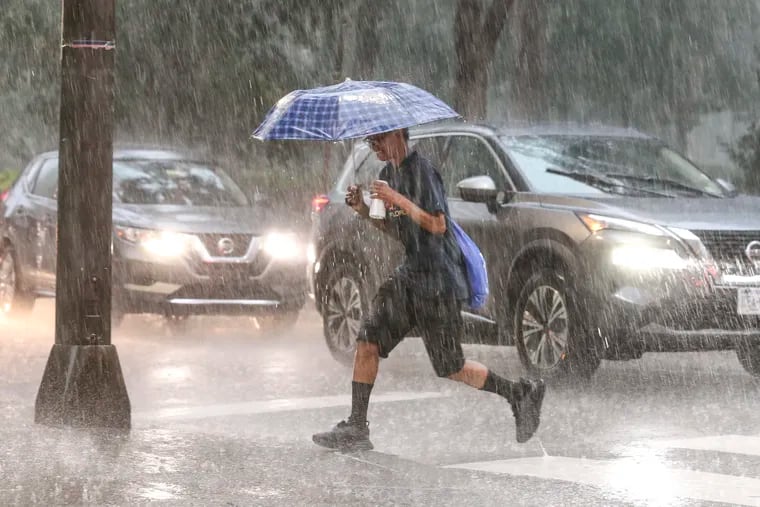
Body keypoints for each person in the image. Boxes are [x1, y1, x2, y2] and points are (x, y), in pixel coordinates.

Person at [312, 128, 546, 452]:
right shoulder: (386, 174)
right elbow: (397, 230)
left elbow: (438, 224)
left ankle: (520, 393)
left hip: (438, 281)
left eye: (378, 139)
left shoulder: (423, 171)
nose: (374, 147)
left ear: (397, 134)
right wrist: (363, 209)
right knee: (368, 339)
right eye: (370, 142)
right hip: (410, 276)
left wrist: (397, 198)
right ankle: (356, 425)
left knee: (450, 366)